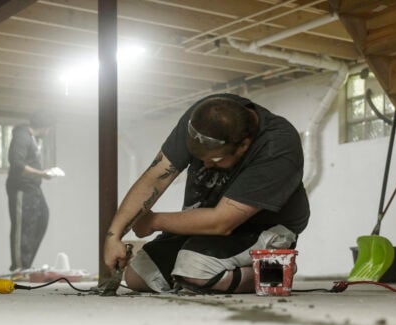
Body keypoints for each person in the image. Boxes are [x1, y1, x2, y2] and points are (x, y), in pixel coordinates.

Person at [103, 94, 310, 294]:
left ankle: (275, 272)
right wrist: (114, 236)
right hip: (209, 220)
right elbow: (156, 175)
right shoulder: (203, 120)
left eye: (216, 159)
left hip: (263, 226)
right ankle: (201, 275)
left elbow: (222, 222)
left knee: (195, 269)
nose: (206, 164)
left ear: (244, 145)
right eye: (199, 157)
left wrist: (153, 221)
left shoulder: (277, 145)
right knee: (138, 275)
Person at [6, 110, 57, 274]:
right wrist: (42, 174)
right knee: (22, 226)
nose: (48, 132)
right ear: (44, 126)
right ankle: (19, 267)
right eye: (48, 128)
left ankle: (26, 264)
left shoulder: (32, 139)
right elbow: (17, 165)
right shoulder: (22, 137)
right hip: (21, 187)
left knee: (42, 218)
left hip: (34, 187)